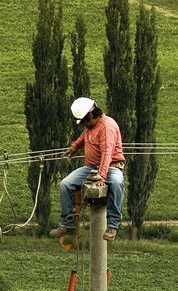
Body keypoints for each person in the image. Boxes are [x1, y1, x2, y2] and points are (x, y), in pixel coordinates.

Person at [50, 97, 125, 241]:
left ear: (90, 115)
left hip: (112, 166)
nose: (83, 125)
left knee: (116, 183)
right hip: (91, 167)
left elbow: (107, 153)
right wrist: (74, 146)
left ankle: (112, 225)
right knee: (66, 184)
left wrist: (102, 177)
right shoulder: (90, 126)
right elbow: (85, 136)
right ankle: (68, 224)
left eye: (84, 121)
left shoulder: (106, 127)